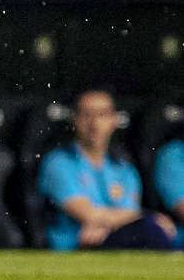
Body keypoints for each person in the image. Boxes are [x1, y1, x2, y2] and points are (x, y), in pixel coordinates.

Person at [37, 90, 176, 251]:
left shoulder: (124, 168)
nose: (94, 123)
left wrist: (112, 223)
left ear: (114, 120)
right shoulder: (58, 163)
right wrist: (148, 217)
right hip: (76, 244)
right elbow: (89, 215)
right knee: (151, 229)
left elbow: (127, 213)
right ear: (74, 119)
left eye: (102, 114)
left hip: (113, 237)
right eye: (86, 114)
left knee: (150, 232)